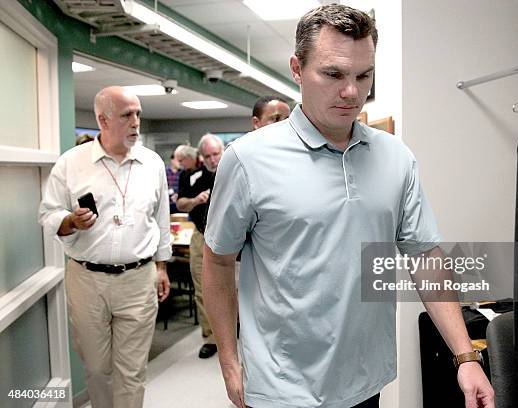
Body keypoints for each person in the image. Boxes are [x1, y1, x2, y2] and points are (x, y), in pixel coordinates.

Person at [202, 4, 495, 408]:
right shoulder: (248, 160)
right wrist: (230, 361)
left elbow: (425, 256)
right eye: (334, 74)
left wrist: (466, 356)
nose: (352, 92)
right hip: (281, 387)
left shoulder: (396, 157)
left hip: (364, 380)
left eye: (364, 75)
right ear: (296, 68)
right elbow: (217, 261)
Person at [38, 86, 171, 408]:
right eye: (127, 115)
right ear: (102, 119)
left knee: (132, 370)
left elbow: (161, 218)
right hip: (87, 279)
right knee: (97, 369)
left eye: (138, 113)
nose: (136, 122)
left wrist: (162, 266)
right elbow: (47, 213)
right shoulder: (72, 163)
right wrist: (71, 220)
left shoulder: (151, 163)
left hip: (138, 279)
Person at [176, 134, 225, 359]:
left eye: (216, 154)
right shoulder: (191, 176)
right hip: (201, 236)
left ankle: (238, 331)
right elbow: (181, 203)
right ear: (201, 157)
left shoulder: (235, 172)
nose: (213, 160)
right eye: (208, 156)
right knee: (203, 289)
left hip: (232, 241)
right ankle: (211, 337)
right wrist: (196, 200)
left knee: (237, 288)